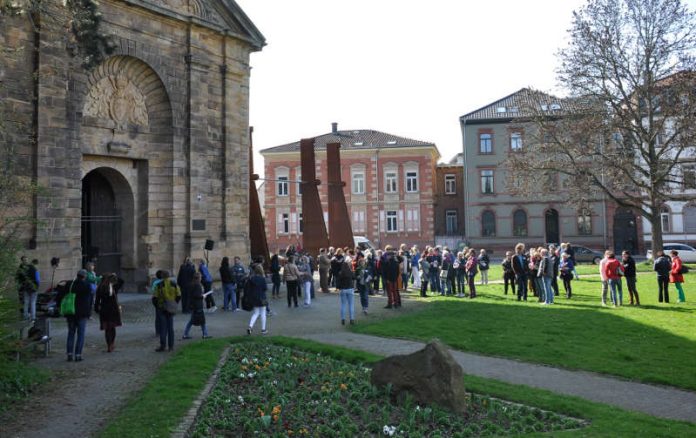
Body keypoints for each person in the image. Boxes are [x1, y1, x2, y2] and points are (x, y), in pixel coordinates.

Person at [56, 270, 92, 362]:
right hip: (82, 313)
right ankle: (78, 355)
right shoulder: (87, 285)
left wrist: (59, 306)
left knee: (71, 333)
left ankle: (69, 354)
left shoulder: (70, 284)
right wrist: (89, 313)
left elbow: (60, 295)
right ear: (84, 276)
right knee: (81, 334)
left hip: (70, 312)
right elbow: (89, 300)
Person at [152, 270, 181, 352]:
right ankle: (171, 346)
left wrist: (157, 306)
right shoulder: (174, 284)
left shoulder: (159, 285)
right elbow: (178, 295)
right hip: (171, 307)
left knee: (163, 328)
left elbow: (155, 297)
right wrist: (174, 303)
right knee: (170, 328)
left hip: (162, 307)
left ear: (162, 276)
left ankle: (163, 345)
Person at [94, 273, 122, 352]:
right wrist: (115, 275)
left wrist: (96, 309)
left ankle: (109, 345)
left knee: (107, 329)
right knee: (112, 328)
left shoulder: (100, 288)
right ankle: (112, 343)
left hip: (104, 310)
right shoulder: (113, 287)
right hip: (113, 309)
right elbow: (121, 281)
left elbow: (97, 300)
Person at [182, 272, 212, 339]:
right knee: (200, 320)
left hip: (193, 304)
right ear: (199, 278)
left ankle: (204, 334)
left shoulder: (191, 284)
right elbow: (197, 295)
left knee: (198, 321)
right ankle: (204, 334)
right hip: (197, 305)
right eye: (200, 277)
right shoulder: (197, 285)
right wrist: (203, 296)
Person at [247, 265, 269, 335]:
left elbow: (249, 289)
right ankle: (263, 329)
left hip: (254, 298)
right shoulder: (262, 279)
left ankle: (250, 326)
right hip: (262, 297)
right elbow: (265, 288)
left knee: (256, 313)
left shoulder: (251, 279)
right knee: (263, 313)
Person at [16, 256, 39, 321]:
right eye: (25, 260)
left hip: (25, 287)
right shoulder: (32, 267)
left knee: (26, 302)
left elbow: (18, 279)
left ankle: (26, 316)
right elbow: (37, 278)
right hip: (31, 287)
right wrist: (37, 286)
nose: (26, 261)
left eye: (26, 260)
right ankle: (33, 317)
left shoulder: (20, 269)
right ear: (23, 261)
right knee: (32, 302)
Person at [336, 255, 356, 324]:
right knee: (351, 305)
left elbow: (338, 281)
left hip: (343, 289)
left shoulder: (340, 272)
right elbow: (354, 277)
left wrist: (338, 287)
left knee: (343, 305)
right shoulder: (350, 272)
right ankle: (352, 319)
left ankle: (343, 319)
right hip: (350, 289)